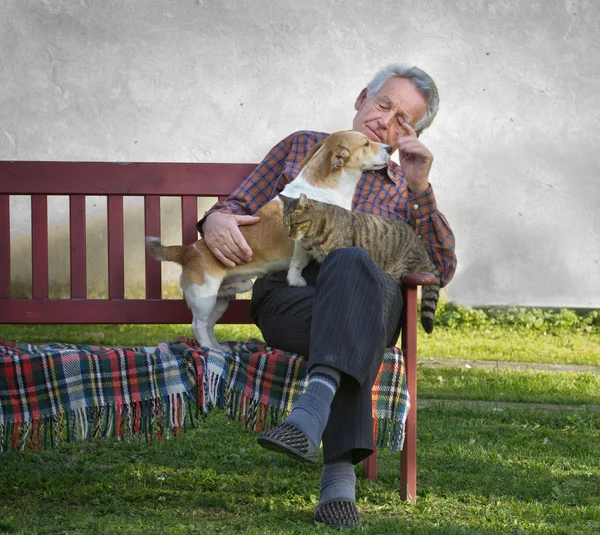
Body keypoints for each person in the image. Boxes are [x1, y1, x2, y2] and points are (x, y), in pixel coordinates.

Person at [196, 64, 456, 528]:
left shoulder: (404, 188)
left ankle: (310, 418)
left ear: (409, 137)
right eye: (383, 105)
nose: (385, 122)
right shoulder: (302, 147)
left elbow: (440, 267)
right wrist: (215, 219)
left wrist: (420, 188)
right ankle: (338, 474)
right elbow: (235, 205)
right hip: (291, 299)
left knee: (350, 259)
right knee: (351, 318)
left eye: (403, 121)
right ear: (361, 98)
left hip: (373, 301)